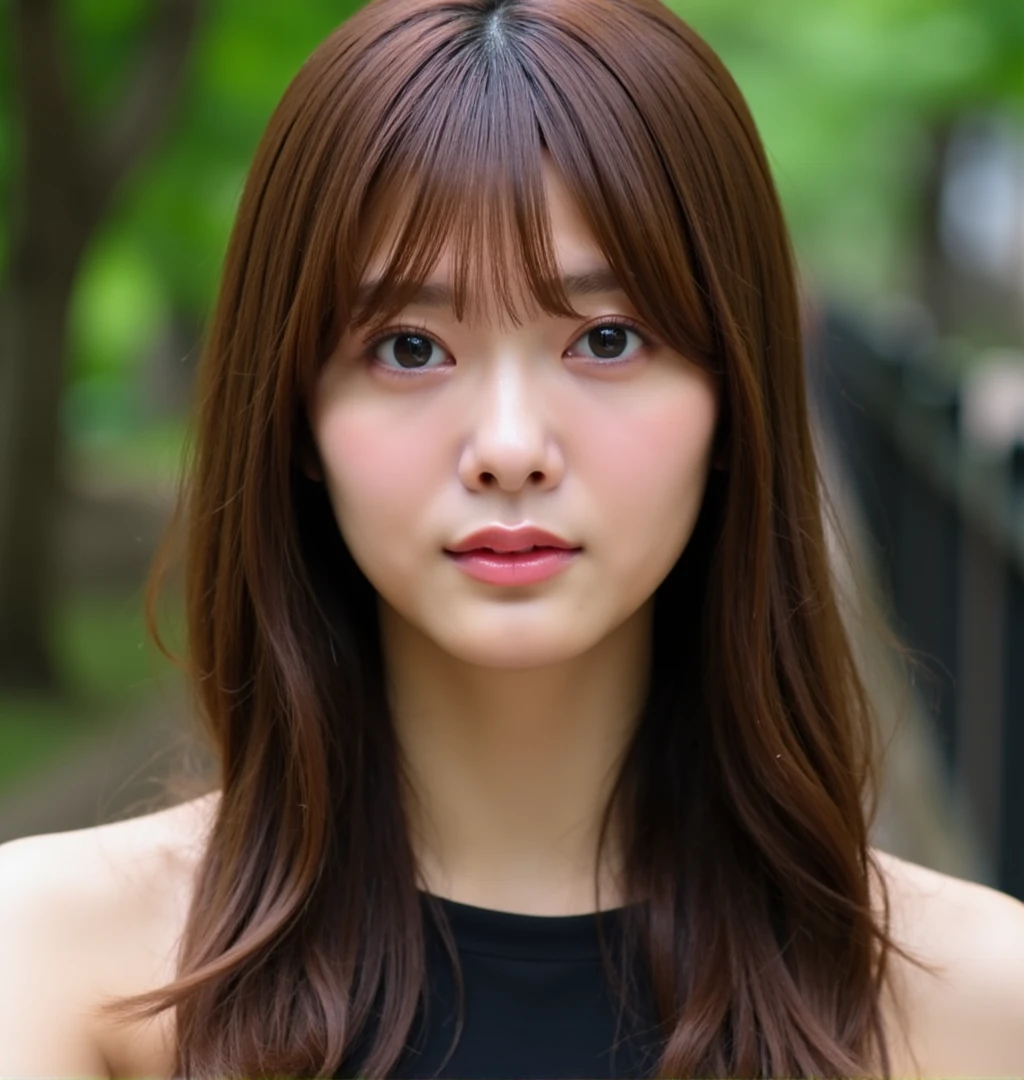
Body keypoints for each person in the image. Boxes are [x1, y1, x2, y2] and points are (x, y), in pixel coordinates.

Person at [2, 0, 1023, 1076]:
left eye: (607, 338)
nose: (507, 448)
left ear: (735, 400)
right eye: (407, 347)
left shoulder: (972, 1008)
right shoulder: (61, 969)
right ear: (297, 416)